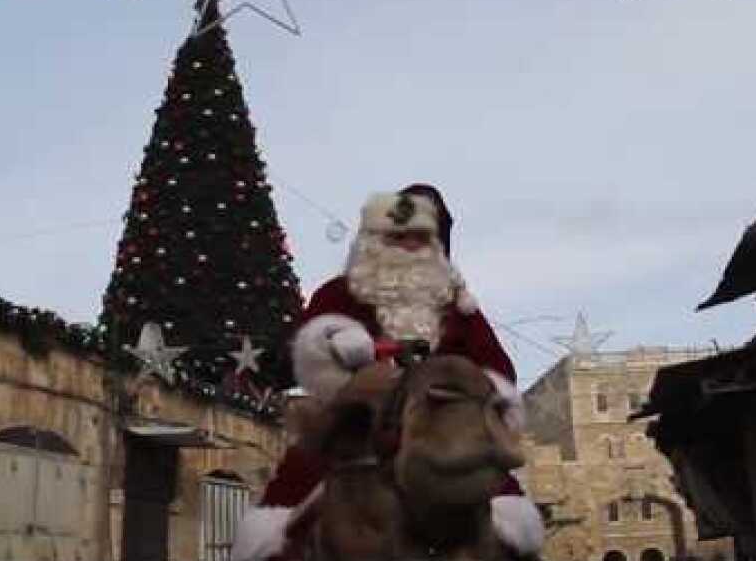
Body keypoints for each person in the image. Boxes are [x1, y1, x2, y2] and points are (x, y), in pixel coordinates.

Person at [231, 184, 544, 561]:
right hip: (355, 427)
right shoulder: (340, 295)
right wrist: (345, 370)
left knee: (504, 514)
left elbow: (498, 374)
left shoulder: (458, 310)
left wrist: (459, 388)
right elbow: (302, 349)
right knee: (289, 504)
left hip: (437, 428)